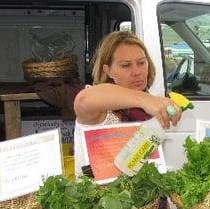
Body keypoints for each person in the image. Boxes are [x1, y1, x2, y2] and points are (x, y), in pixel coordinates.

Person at [73, 31, 182, 173]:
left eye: (141, 62)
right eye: (126, 65)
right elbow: (83, 101)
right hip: (98, 193)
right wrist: (145, 100)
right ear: (108, 70)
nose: (137, 72)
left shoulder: (149, 108)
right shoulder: (101, 108)